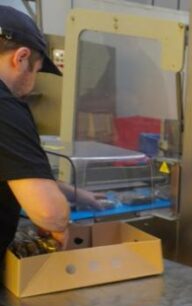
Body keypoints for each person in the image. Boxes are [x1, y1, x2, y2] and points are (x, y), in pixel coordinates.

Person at [0, 6, 102, 255]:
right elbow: (49, 214)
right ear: (21, 57)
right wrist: (57, 221)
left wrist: (69, 191)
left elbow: (11, 167)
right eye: (36, 71)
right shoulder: (5, 106)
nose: (32, 85)